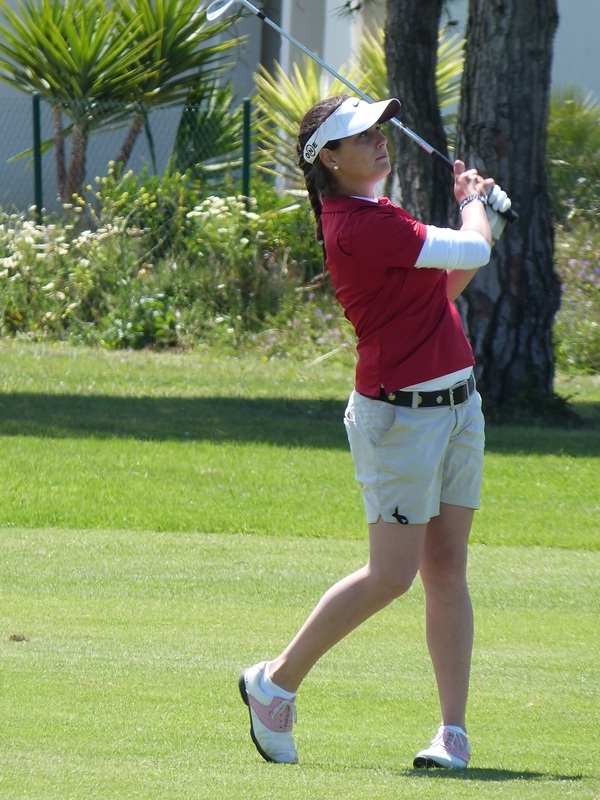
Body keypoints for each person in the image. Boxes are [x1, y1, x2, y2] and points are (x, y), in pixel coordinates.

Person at [238, 95, 512, 769]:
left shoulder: (380, 217)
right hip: (400, 419)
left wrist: (487, 218)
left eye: (376, 128)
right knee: (392, 575)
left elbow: (444, 285)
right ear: (328, 158)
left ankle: (453, 733)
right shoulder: (357, 226)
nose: (377, 140)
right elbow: (469, 244)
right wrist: (477, 201)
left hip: (457, 404)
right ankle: (274, 685)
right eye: (357, 135)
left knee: (446, 564)